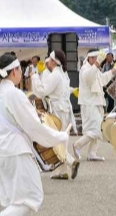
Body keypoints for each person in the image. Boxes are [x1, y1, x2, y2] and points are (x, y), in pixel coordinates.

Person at [0, 52, 70, 216]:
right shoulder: (14, 94)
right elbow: (34, 127)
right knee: (33, 196)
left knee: (16, 201)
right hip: (17, 151)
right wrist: (60, 136)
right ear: (14, 71)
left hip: (2, 152)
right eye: (20, 70)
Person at [30, 51, 79, 180]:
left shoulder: (56, 74)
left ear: (53, 61)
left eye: (49, 60)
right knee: (62, 139)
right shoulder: (63, 74)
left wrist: (35, 77)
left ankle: (70, 161)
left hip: (57, 109)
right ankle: (62, 171)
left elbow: (42, 90)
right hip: (64, 109)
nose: (47, 62)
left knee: (55, 139)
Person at [73, 49, 116, 162]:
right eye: (94, 58)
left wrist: (115, 69)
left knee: (98, 129)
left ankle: (92, 153)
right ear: (89, 58)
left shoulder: (96, 69)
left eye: (97, 58)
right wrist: (97, 64)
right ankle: (77, 145)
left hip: (97, 102)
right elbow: (89, 79)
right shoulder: (85, 69)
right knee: (95, 130)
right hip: (89, 103)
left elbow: (103, 80)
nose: (96, 60)